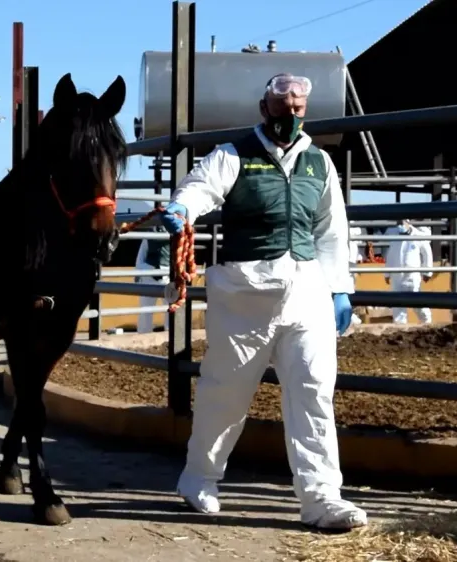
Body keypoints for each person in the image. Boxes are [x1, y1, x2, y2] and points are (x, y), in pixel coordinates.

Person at [158, 73, 366, 530]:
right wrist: (182, 209)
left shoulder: (319, 163)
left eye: (297, 109)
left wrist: (340, 287)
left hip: (306, 292)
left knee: (313, 390)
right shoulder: (232, 155)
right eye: (281, 107)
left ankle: (321, 497)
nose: (290, 116)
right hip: (245, 292)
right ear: (263, 107)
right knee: (226, 391)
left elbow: (332, 229)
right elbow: (200, 188)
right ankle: (200, 477)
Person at [383, 220, 433, 324]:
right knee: (397, 304)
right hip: (396, 275)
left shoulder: (418, 236)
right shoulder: (394, 235)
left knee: (417, 302)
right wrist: (387, 274)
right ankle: (400, 327)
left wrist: (427, 272)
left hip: (412, 275)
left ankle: (426, 322)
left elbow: (427, 253)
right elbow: (390, 255)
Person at [134, 230, 171, 333]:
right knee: (145, 309)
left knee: (171, 308)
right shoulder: (148, 236)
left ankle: (170, 334)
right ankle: (143, 334)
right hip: (149, 274)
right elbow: (141, 256)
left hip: (167, 275)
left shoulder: (175, 235)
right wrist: (139, 273)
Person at [347, 225, 364, 328]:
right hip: (338, 259)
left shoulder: (356, 226)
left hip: (351, 260)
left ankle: (350, 314)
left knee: (351, 286)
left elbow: (358, 242)